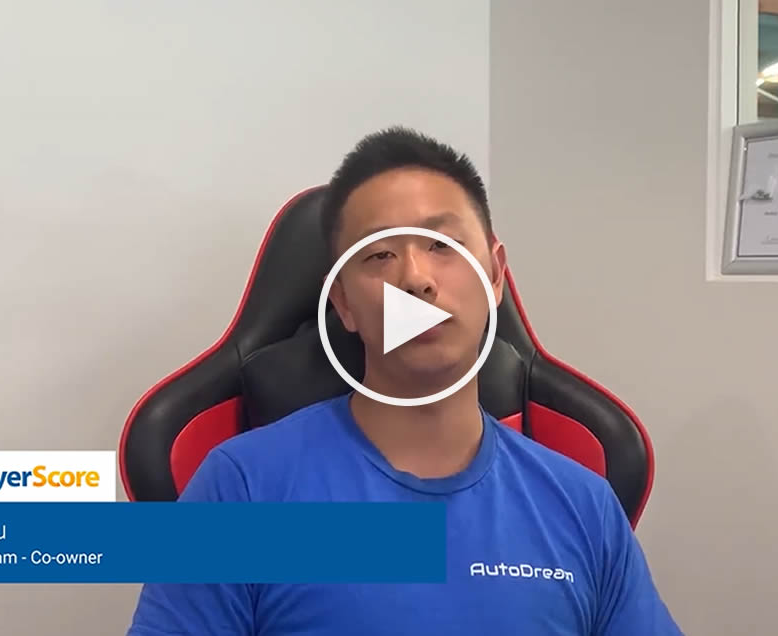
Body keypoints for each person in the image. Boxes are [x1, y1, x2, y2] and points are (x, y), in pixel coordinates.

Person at [127, 127, 682, 635]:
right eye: (380, 254)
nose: (415, 278)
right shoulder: (240, 489)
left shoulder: (584, 506)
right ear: (343, 302)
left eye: (442, 245)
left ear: (494, 274)